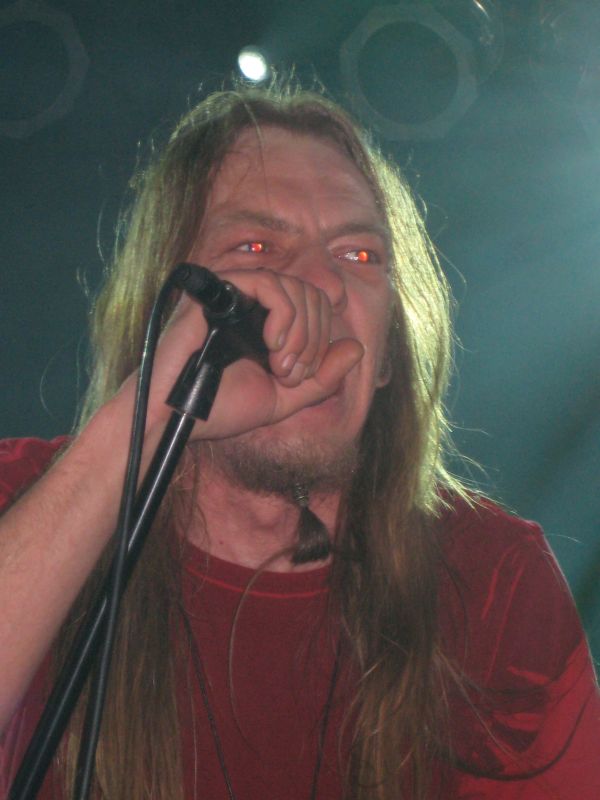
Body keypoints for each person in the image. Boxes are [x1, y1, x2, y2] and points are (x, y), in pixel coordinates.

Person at [0, 84, 598, 800]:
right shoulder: (25, 501)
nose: (321, 287)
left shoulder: (490, 578)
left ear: (387, 354)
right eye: (255, 247)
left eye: (359, 254)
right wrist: (148, 411)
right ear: (170, 308)